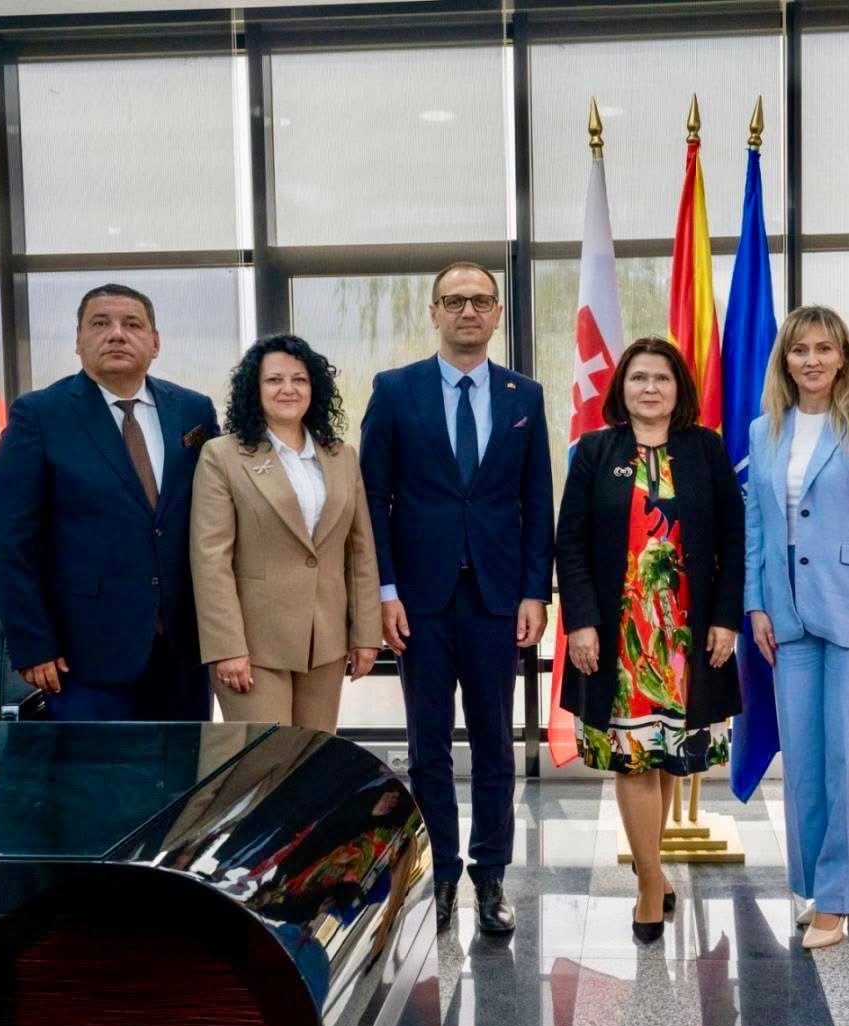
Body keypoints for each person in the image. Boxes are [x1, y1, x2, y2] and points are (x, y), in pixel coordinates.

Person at [359, 261, 554, 935]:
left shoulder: (525, 395)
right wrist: (384, 590)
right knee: (428, 745)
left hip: (498, 599)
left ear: (497, 313)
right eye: (454, 300)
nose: (468, 311)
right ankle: (440, 872)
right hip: (420, 600)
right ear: (435, 311)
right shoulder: (395, 390)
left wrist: (535, 590)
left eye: (480, 300)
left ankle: (490, 875)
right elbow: (372, 500)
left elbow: (537, 501)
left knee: (497, 743)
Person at [555, 336, 743, 944]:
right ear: (622, 387)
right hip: (622, 637)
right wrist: (580, 622)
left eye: (662, 377)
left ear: (678, 387)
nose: (650, 388)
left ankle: (651, 868)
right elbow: (570, 543)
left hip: (687, 634)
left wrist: (727, 618)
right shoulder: (595, 450)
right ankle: (648, 884)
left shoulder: (705, 448)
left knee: (666, 755)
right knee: (634, 756)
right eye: (639, 377)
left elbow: (734, 540)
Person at [743, 306, 849, 950]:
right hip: (784, 611)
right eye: (799, 349)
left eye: (824, 348)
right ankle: (816, 885)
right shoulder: (763, 430)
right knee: (805, 762)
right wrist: (756, 604)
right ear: (784, 360)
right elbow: (758, 526)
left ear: (843, 358)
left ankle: (842, 897)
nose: (811, 360)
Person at [0, 284, 219, 721]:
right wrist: (33, 643)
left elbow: (217, 518)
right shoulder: (39, 416)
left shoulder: (194, 411)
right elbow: (8, 541)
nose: (116, 334)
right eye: (99, 323)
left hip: (184, 651)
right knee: (94, 769)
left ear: (155, 342)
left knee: (187, 766)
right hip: (83, 655)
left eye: (132, 324)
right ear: (78, 341)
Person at [190, 334, 381, 731]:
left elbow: (360, 551)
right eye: (274, 380)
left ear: (315, 388)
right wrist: (227, 646)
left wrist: (366, 634)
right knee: (266, 761)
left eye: (299, 379)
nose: (288, 389)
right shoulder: (222, 455)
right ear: (254, 389)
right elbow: (211, 559)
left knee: (313, 758)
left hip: (325, 642)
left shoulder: (341, 456)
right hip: (254, 646)